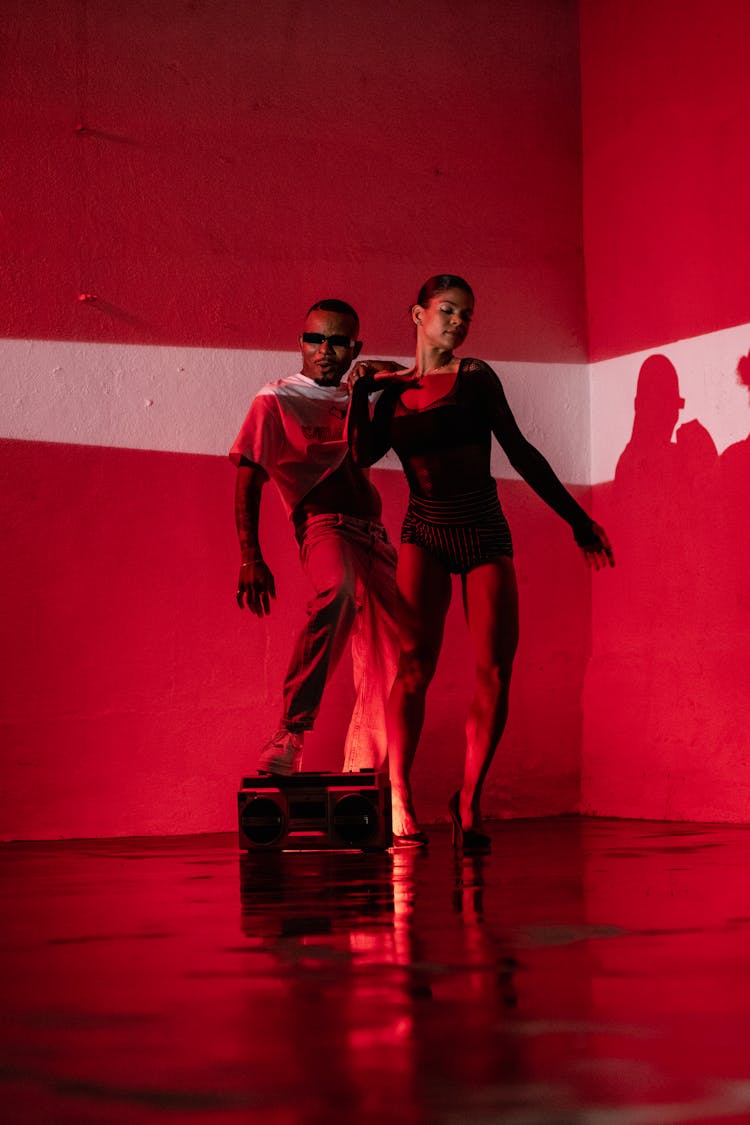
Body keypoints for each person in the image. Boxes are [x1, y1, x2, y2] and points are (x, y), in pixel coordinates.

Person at [348, 274, 614, 848]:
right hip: (424, 532)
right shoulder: (390, 393)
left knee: (494, 671)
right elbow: (362, 454)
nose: (459, 323)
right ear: (417, 314)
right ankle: (399, 794)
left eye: (467, 315)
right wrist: (357, 393)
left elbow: (519, 448)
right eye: (448, 311)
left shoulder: (476, 378)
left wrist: (577, 521)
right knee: (414, 666)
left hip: (483, 532)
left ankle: (468, 801)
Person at [230, 298, 410, 776]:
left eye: (337, 341)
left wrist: (378, 371)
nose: (324, 349)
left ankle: (366, 768)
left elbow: (415, 379)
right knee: (339, 594)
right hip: (324, 524)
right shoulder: (277, 399)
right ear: (301, 343)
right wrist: (251, 555)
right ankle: (290, 731)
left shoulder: (359, 394)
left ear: (355, 347)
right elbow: (249, 478)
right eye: (315, 339)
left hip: (375, 535)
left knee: (399, 654)